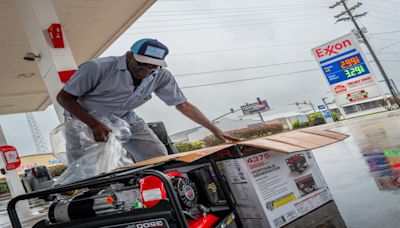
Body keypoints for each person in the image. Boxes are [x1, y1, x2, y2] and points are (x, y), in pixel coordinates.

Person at [57, 38, 238, 163]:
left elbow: (183, 105)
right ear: (129, 55)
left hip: (125, 118)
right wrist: (94, 124)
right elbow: (64, 98)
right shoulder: (97, 68)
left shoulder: (161, 76)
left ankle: (156, 194)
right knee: (89, 168)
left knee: (157, 155)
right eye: (142, 63)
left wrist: (214, 130)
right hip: (83, 120)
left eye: (153, 66)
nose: (147, 70)